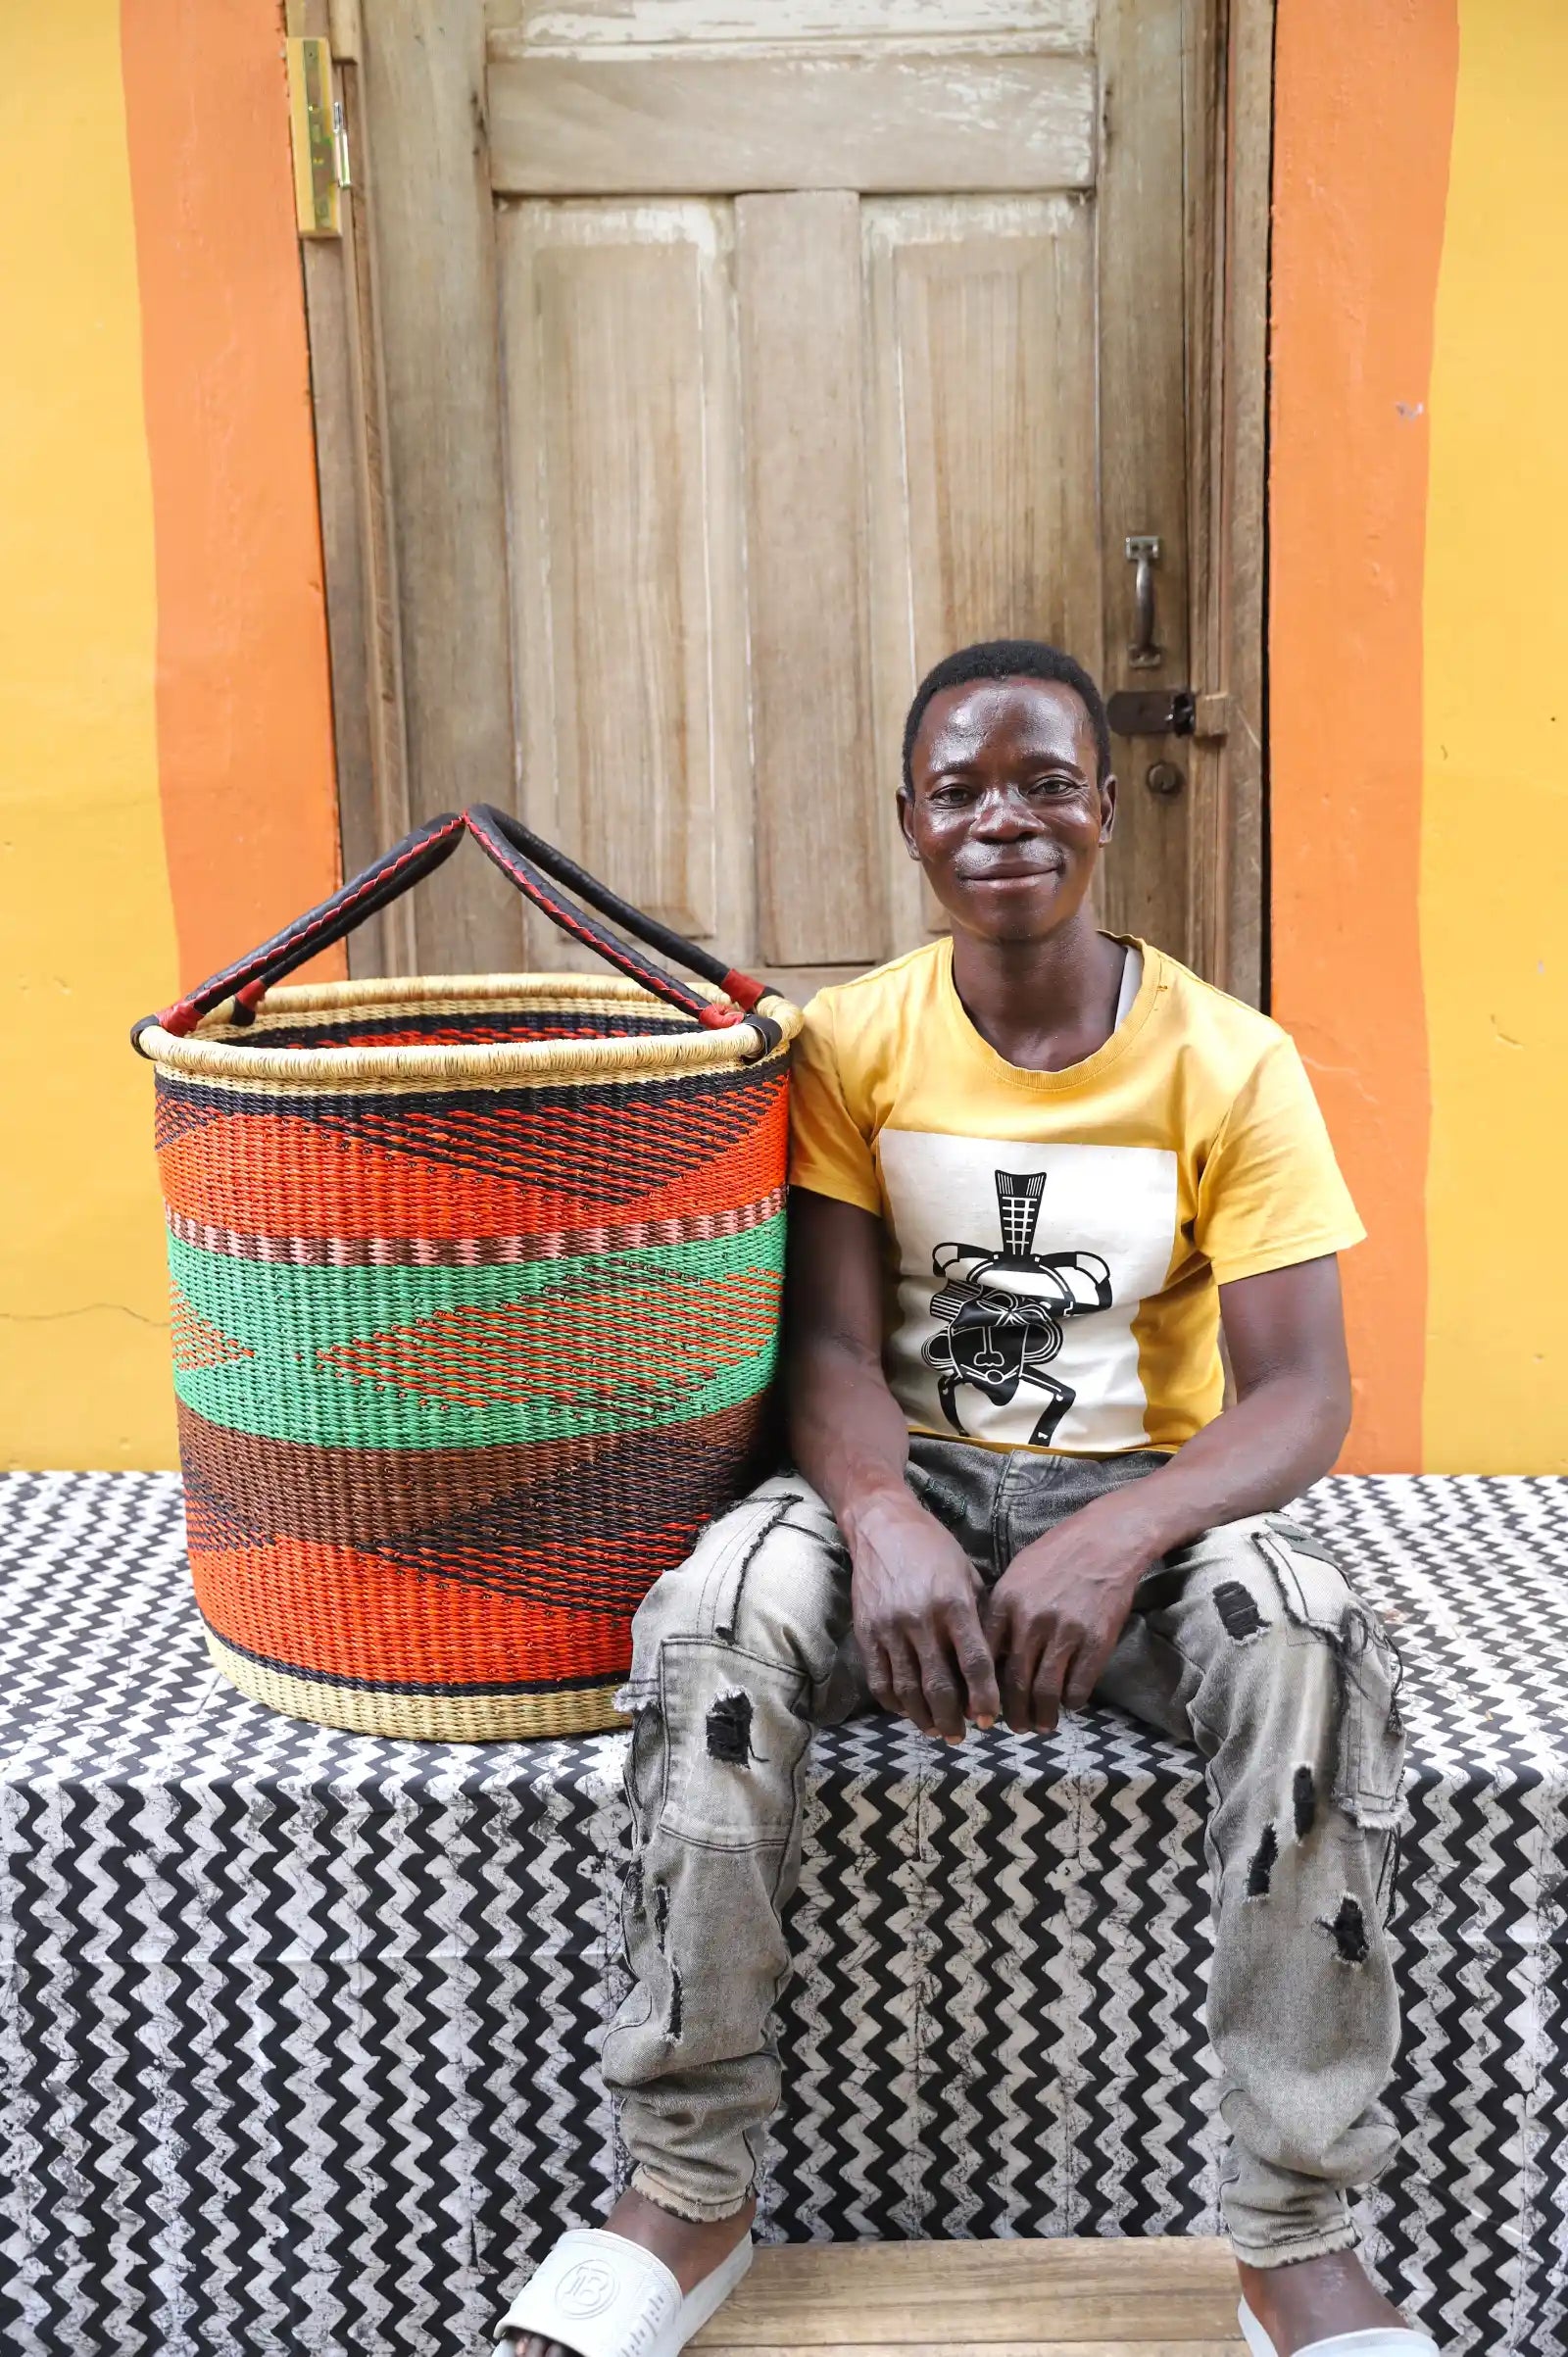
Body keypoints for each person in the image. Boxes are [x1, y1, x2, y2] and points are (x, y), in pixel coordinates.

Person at [496, 642, 1434, 2357]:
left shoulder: (1230, 1061)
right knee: (717, 1611)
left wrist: (1117, 1531)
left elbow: (1304, 1391)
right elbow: (828, 1346)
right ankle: (685, 2190)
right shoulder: (852, 1044)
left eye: (1046, 781)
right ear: (910, 825)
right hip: (898, 1475)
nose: (1006, 818)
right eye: (961, 790)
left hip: (1147, 1496)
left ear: (1105, 807)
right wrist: (882, 1518)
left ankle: (1297, 2234)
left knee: (1309, 1635)